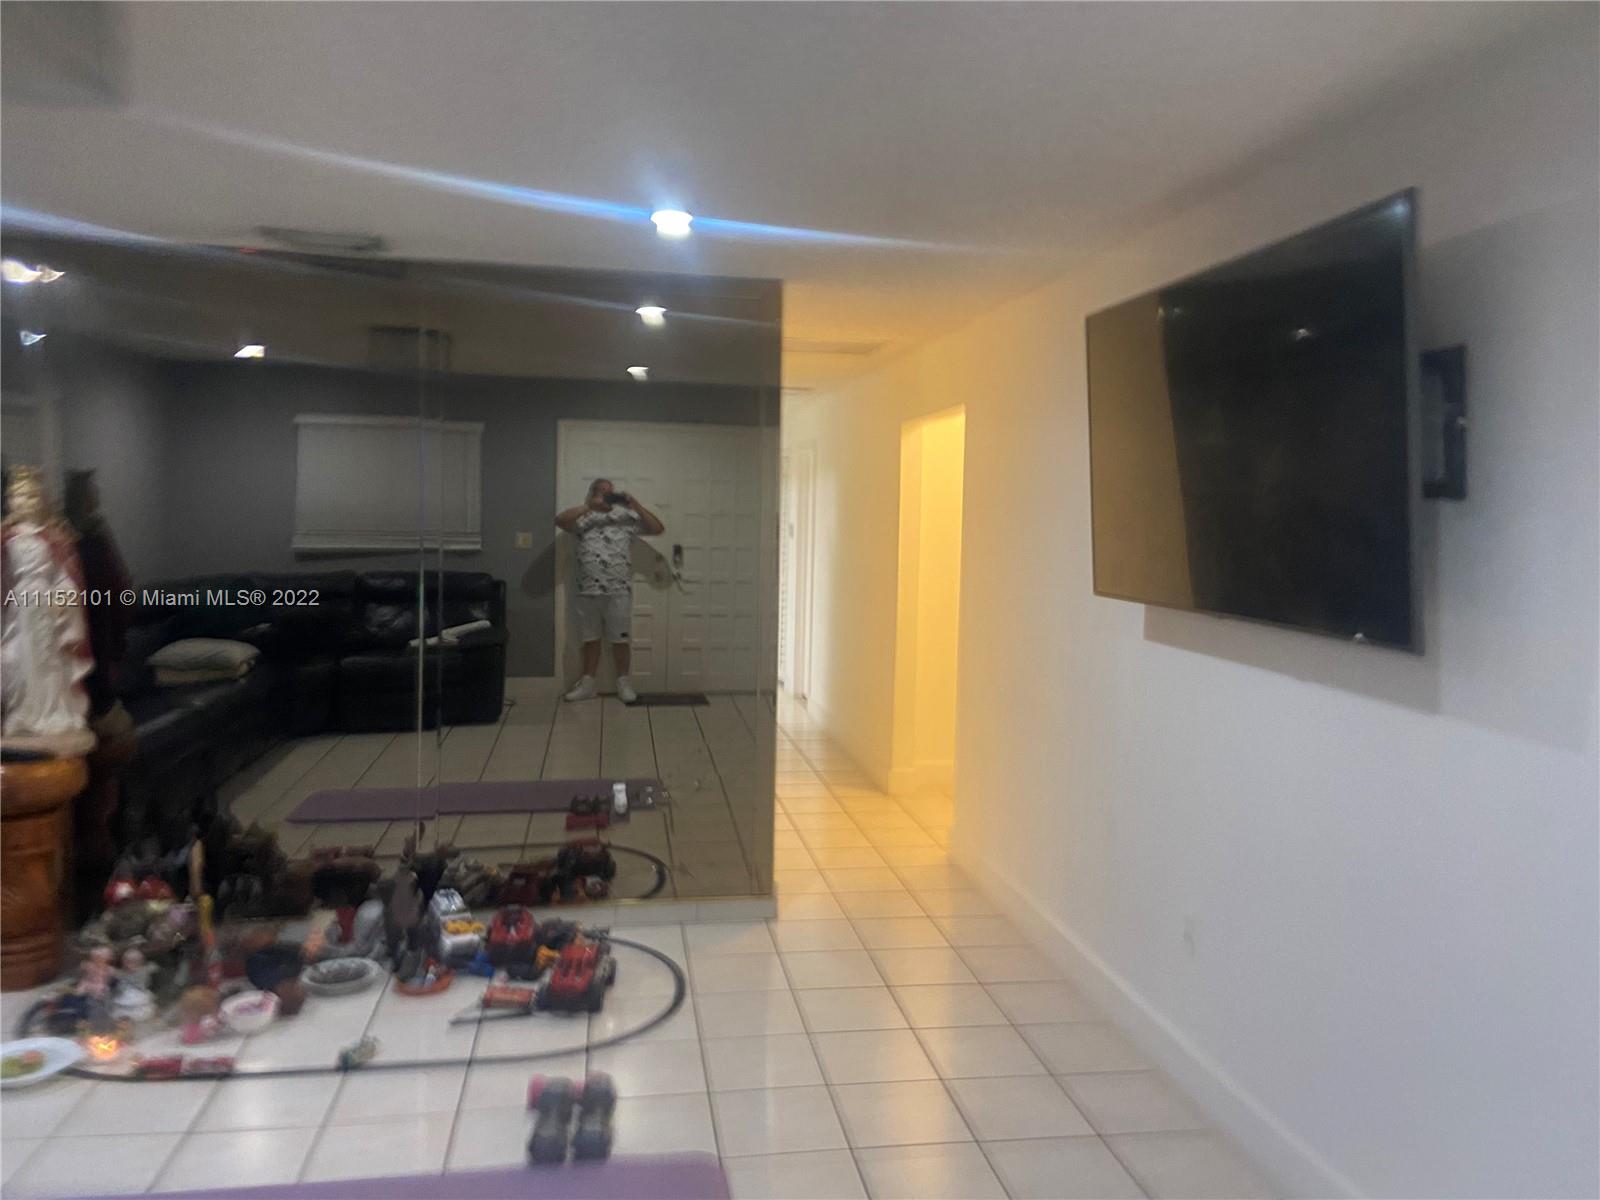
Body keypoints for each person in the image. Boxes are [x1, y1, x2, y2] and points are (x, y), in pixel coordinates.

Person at [555, 478, 664, 703]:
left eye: (609, 492)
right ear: (592, 494)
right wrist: (589, 506)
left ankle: (623, 684)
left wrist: (635, 504)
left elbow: (657, 528)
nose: (604, 495)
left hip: (618, 590)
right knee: (590, 639)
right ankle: (587, 685)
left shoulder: (625, 518)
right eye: (600, 491)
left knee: (620, 640)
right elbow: (560, 520)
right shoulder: (582, 518)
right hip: (587, 591)